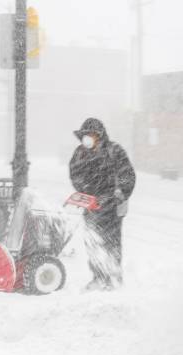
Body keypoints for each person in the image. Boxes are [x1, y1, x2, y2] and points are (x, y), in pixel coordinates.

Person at [69, 118, 136, 290]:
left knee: (111, 241)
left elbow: (127, 174)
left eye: (90, 135)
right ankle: (98, 277)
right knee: (92, 242)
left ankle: (113, 278)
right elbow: (75, 175)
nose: (87, 139)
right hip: (92, 205)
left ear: (99, 136)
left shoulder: (114, 151)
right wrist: (85, 191)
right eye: (84, 136)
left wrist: (121, 191)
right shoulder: (80, 153)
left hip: (112, 207)